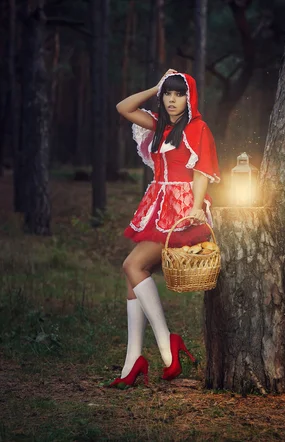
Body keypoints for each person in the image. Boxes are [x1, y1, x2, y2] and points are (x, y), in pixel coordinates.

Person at [107, 69, 220, 388]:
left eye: (178, 94)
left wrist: (196, 208)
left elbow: (202, 171)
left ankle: (167, 345)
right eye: (167, 94)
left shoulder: (197, 128)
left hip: (182, 210)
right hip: (157, 203)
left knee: (132, 265)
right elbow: (124, 107)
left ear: (189, 97)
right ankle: (132, 363)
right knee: (133, 277)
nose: (171, 100)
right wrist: (154, 86)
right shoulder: (159, 124)